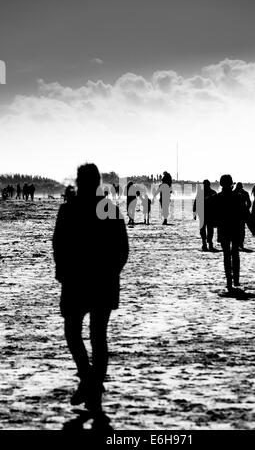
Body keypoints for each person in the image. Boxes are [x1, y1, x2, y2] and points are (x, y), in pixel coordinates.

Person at [53, 163, 129, 419]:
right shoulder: (107, 209)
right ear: (97, 182)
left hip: (77, 281)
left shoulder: (70, 209)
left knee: (75, 333)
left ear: (80, 181)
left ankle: (89, 382)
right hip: (101, 281)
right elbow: (121, 249)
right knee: (97, 336)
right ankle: (91, 384)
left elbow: (59, 245)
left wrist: (63, 271)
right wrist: (111, 272)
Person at [214, 174, 252, 291]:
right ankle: (236, 280)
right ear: (232, 184)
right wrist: (254, 229)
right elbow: (246, 214)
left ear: (221, 184)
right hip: (236, 229)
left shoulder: (218, 197)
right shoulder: (239, 197)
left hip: (224, 229)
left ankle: (229, 281)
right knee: (235, 253)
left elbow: (212, 213)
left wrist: (214, 224)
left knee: (226, 254)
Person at [193, 180, 217, 251]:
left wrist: (194, 213)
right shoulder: (212, 192)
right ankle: (208, 244)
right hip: (208, 214)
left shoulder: (201, 192)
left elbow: (195, 203)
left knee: (205, 230)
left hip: (205, 214)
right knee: (209, 230)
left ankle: (206, 244)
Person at [233, 182, 251, 250]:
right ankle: (240, 244)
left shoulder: (233, 193)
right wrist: (246, 209)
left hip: (235, 214)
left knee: (236, 230)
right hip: (242, 214)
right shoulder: (245, 193)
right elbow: (249, 203)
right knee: (241, 230)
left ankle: (237, 244)